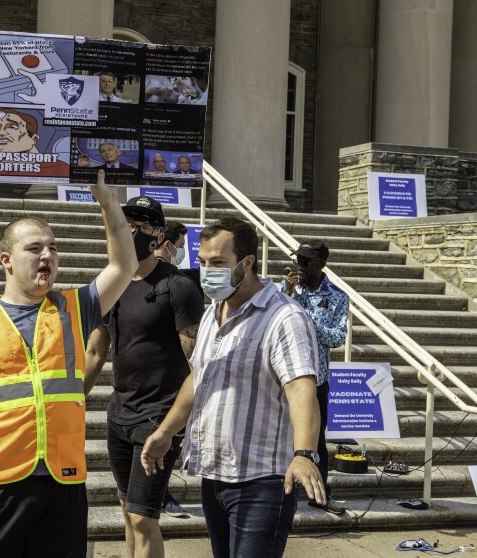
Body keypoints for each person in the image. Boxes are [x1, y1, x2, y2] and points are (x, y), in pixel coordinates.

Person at [0, 170, 136, 558]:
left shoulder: (75, 309)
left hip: (62, 481)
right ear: (6, 260)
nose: (47, 256)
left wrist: (109, 205)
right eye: (35, 248)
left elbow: (123, 266)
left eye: (53, 248)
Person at [141, 217, 325, 558]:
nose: (207, 271)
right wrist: (166, 432)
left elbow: (301, 388)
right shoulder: (213, 313)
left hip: (263, 482)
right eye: (203, 262)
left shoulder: (284, 317)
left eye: (218, 263)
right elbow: (198, 377)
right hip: (215, 477)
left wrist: (304, 454)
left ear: (247, 262)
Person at [85, 196, 205, 558]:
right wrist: (72, 400)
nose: (134, 230)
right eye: (128, 222)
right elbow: (95, 352)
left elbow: (198, 362)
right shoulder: (109, 284)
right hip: (119, 414)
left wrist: (179, 426)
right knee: (127, 509)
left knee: (142, 516)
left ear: (159, 234)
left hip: (158, 416)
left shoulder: (177, 286)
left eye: (144, 223)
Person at [281, 239, 350, 515]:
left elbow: (338, 337)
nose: (299, 266)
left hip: (315, 379)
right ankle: (279, 494)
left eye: (305, 262)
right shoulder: (286, 289)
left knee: (315, 439)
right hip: (284, 376)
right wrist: (286, 293)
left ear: (321, 264)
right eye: (297, 260)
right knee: (280, 436)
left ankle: (319, 495)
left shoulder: (337, 296)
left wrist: (308, 324)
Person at [154, 221, 203, 299]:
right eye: (181, 246)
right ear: (167, 245)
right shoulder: (177, 279)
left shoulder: (142, 268)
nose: (182, 250)